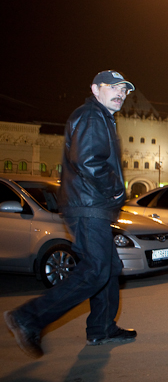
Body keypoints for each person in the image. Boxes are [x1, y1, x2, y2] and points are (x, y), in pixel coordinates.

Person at [4, 70, 137, 358]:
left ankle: (102, 328)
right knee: (95, 270)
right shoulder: (91, 116)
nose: (120, 93)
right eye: (112, 87)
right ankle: (29, 317)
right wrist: (115, 190)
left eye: (124, 90)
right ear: (95, 89)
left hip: (92, 205)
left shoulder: (100, 117)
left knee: (109, 269)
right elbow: (88, 161)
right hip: (89, 206)